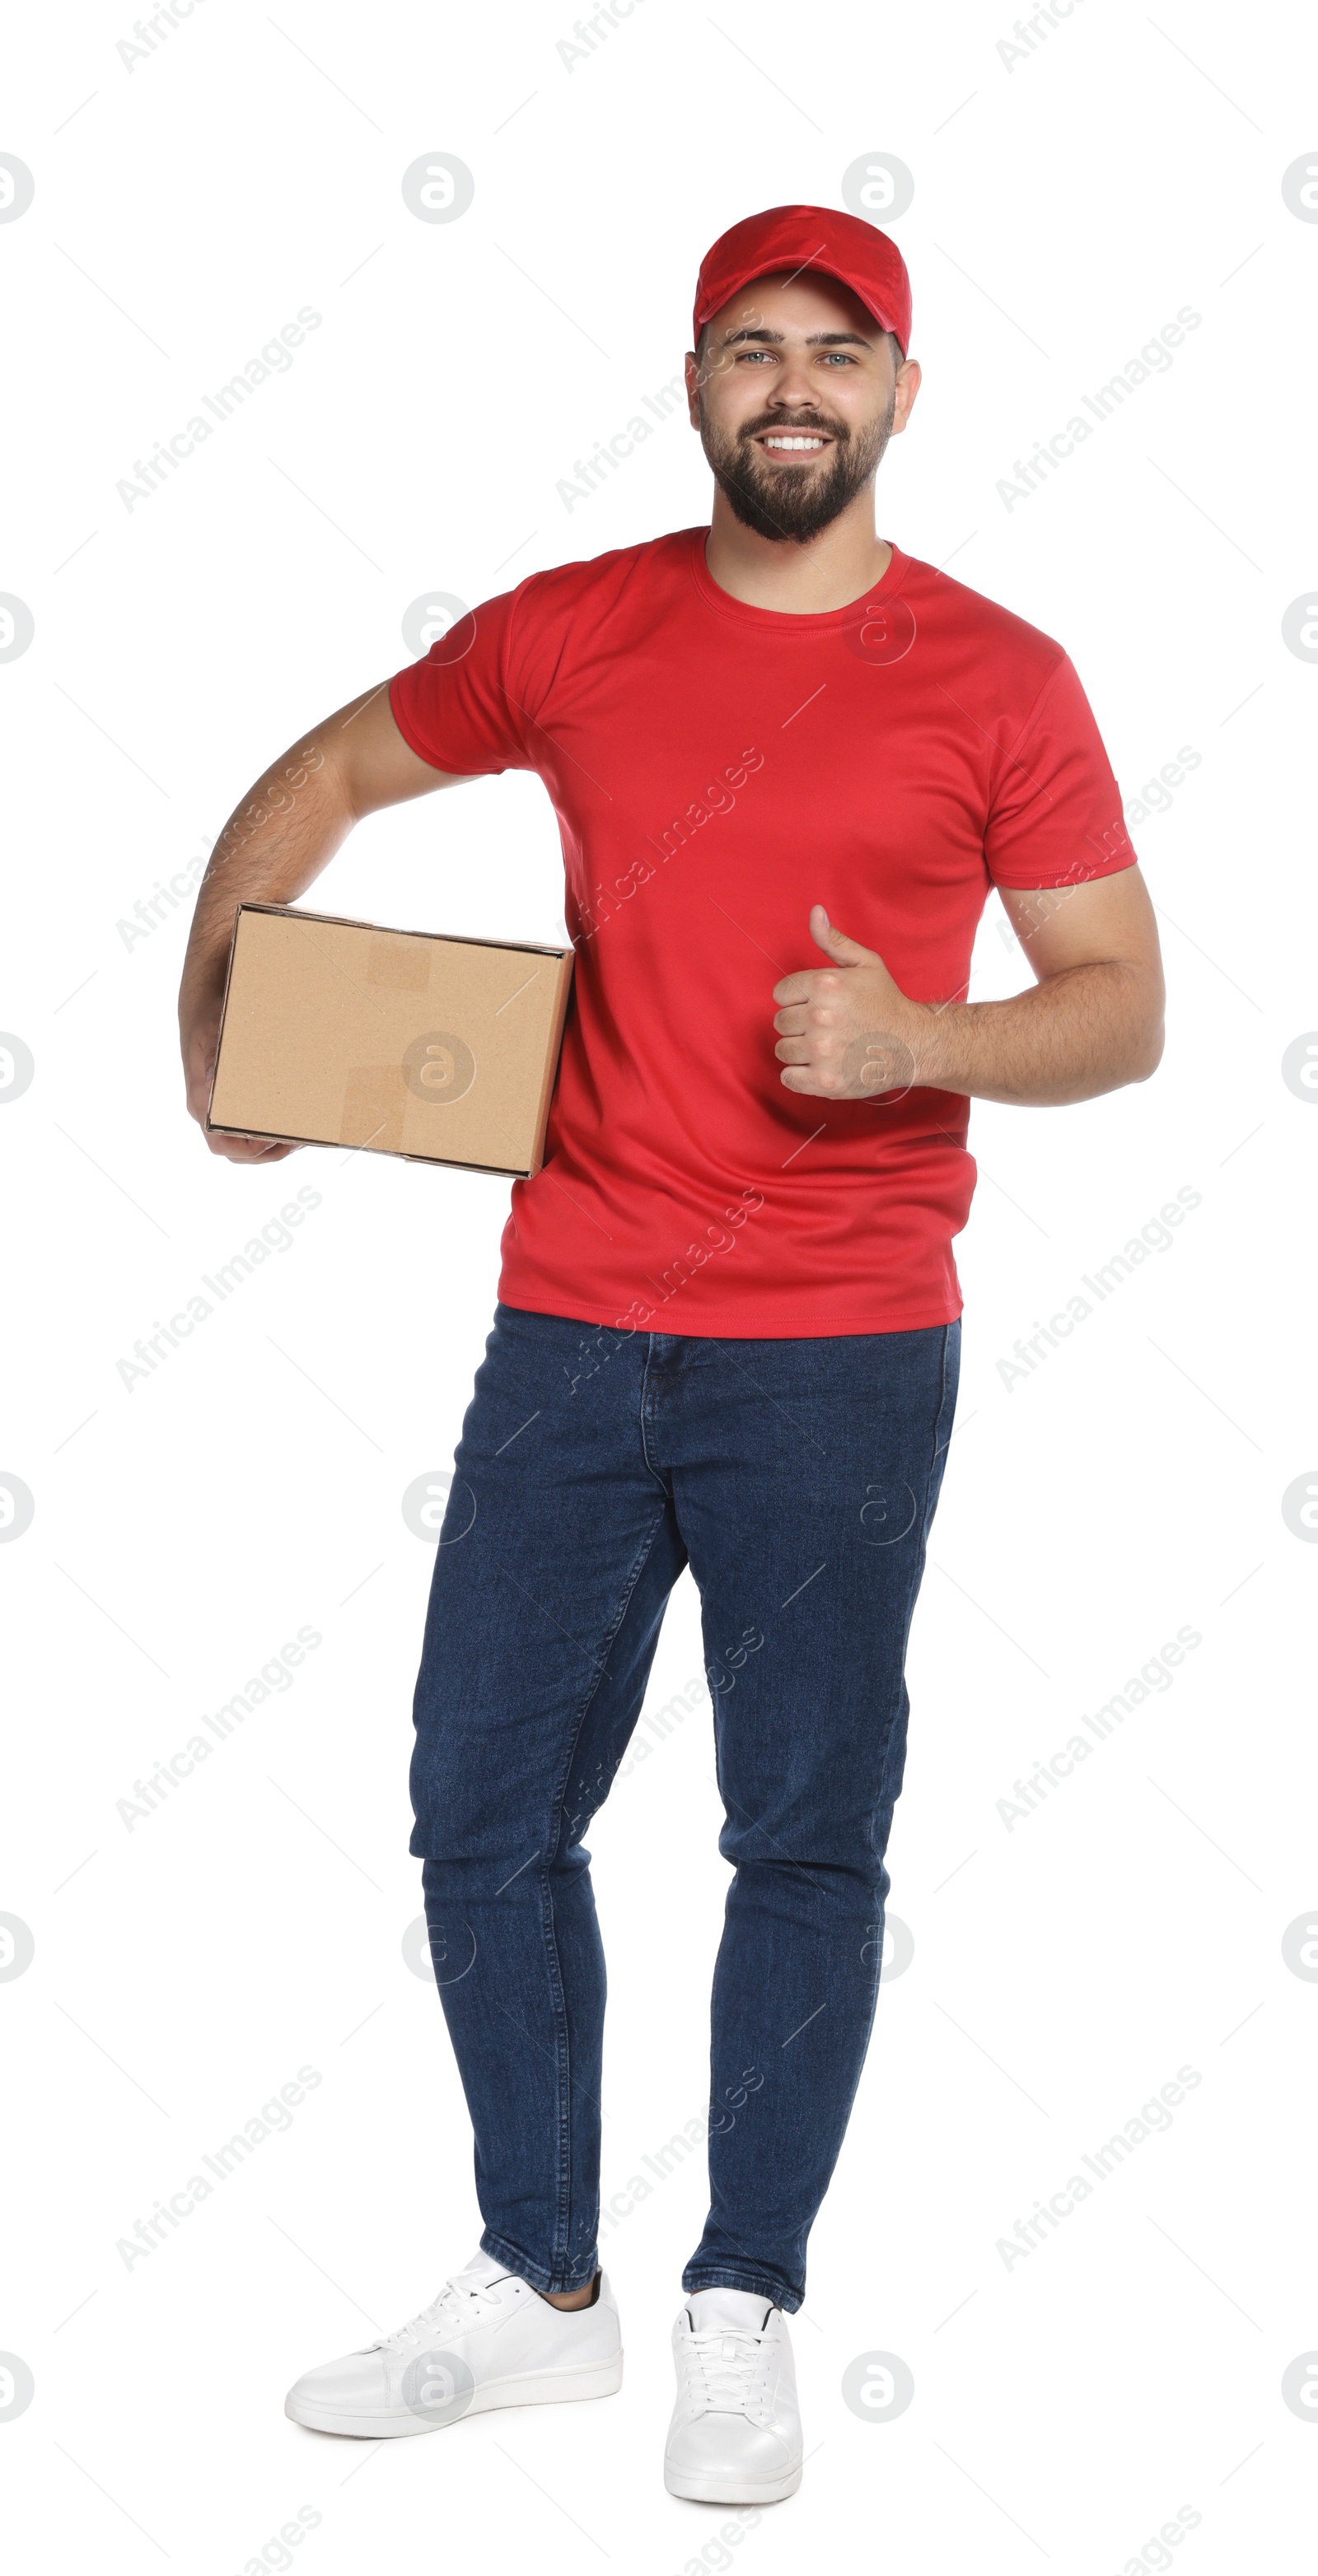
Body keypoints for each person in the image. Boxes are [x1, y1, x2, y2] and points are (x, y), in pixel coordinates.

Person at [178, 203, 1164, 2505]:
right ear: (698, 381)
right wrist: (224, 1025)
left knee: (803, 1832)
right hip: (571, 1326)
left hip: (841, 1348)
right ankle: (542, 2286)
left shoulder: (999, 677)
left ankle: (744, 2304)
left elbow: (1123, 1005)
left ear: (903, 393)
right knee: (477, 1807)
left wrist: (922, 1031)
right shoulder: (576, 630)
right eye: (751, 348)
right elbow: (317, 784)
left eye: (840, 350)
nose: (793, 386)